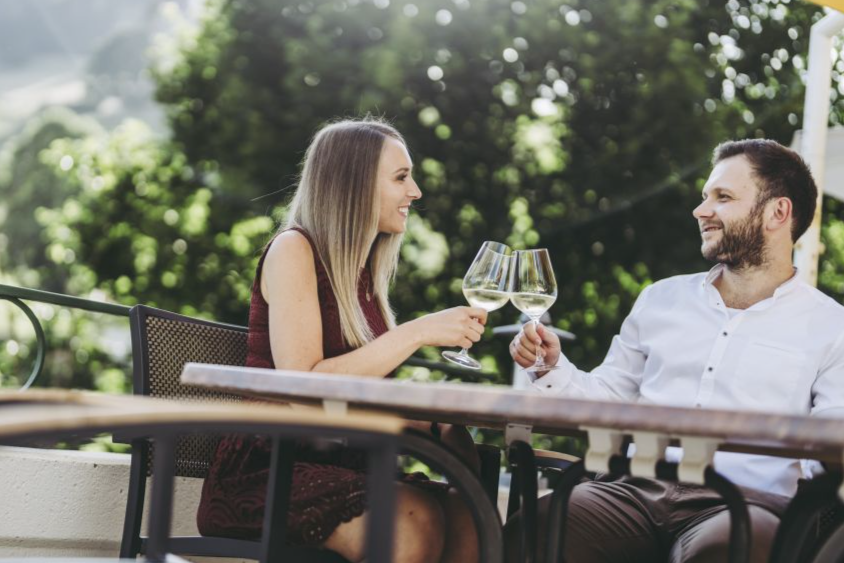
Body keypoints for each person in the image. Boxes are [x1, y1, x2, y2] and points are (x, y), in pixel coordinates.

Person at [509, 139, 844, 563]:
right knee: (535, 529)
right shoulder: (660, 299)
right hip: (631, 492)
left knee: (729, 551)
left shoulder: (832, 326)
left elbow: (832, 442)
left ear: (778, 212)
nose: (701, 210)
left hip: (746, 505)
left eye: (722, 197)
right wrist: (552, 367)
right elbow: (609, 398)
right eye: (705, 196)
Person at [197, 118, 487, 563]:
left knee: (467, 513)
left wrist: (432, 425)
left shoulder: (362, 278)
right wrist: (417, 332)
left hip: (341, 461)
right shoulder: (293, 249)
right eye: (401, 178)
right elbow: (304, 387)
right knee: (413, 519)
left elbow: (358, 399)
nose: (415, 192)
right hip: (269, 467)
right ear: (355, 184)